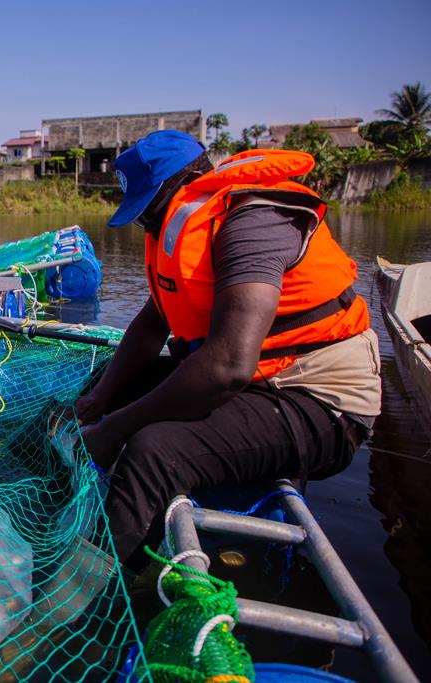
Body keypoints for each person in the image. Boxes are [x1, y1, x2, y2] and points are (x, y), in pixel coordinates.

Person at [75, 130, 381, 572]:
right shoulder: (182, 230)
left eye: (151, 212)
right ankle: (113, 521)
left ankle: (84, 605)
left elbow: (227, 367)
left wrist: (113, 430)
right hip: (258, 380)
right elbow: (150, 324)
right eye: (142, 220)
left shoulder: (252, 224)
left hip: (318, 398)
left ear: (193, 179)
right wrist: (102, 398)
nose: (150, 226)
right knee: (110, 384)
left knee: (154, 451)